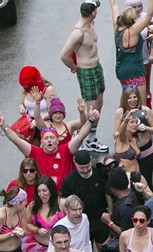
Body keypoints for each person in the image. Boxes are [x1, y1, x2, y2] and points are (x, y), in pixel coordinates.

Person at [0, 109, 100, 188]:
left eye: (52, 137)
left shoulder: (66, 150)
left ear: (57, 140)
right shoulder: (35, 152)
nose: (49, 140)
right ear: (41, 142)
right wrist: (4, 126)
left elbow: (80, 136)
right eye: (46, 138)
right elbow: (17, 141)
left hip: (65, 195)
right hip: (44, 196)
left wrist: (90, 120)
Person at [60, 1, 109, 153]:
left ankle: (91, 138)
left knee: (99, 103)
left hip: (97, 68)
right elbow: (63, 55)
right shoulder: (78, 32)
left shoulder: (91, 24)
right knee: (91, 109)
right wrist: (74, 67)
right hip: (86, 71)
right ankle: (81, 139)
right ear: (93, 12)